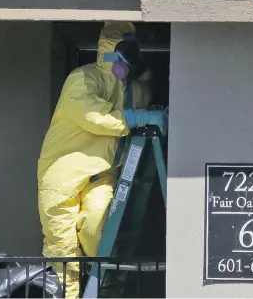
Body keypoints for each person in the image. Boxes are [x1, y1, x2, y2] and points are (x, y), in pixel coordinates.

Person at [37, 21, 167, 298]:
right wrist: (136, 118)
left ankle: (102, 289)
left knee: (97, 230)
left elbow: (142, 101)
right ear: (110, 50)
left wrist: (146, 87)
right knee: (62, 248)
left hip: (102, 172)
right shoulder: (83, 79)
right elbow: (92, 116)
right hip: (62, 171)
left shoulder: (133, 87)